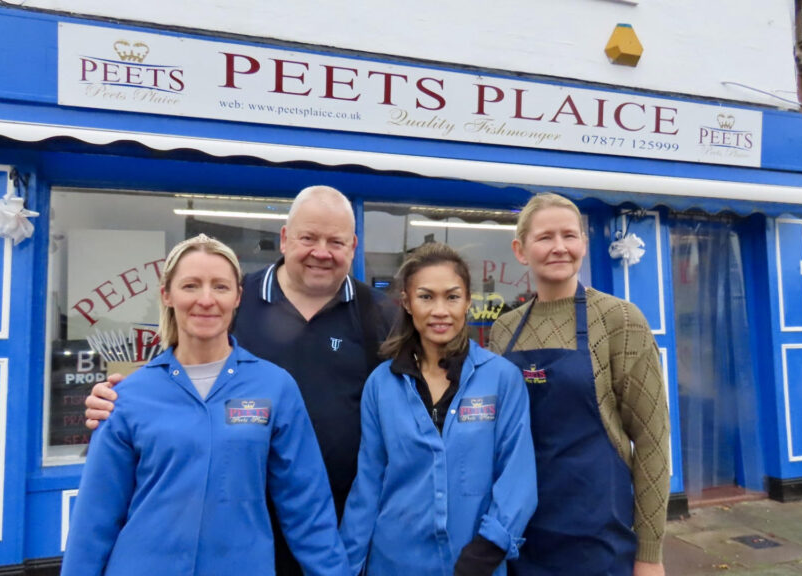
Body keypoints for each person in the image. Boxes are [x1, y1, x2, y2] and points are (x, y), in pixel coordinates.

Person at [84, 185, 395, 575]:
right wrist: (114, 400)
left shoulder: (380, 314)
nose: (321, 251)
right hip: (231, 527)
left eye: (335, 242)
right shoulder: (232, 301)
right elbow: (174, 374)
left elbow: (411, 405)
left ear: (352, 246)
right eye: (309, 238)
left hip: (330, 525)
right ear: (284, 238)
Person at [62, 234, 348, 576]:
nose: (206, 300)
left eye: (221, 287)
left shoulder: (274, 387)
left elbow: (307, 507)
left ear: (238, 296)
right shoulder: (127, 397)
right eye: (191, 286)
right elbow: (95, 517)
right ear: (167, 294)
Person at [486, 193, 670, 576]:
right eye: (545, 237)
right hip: (523, 533)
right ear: (521, 250)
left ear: (584, 245)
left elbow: (653, 441)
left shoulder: (620, 320)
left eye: (569, 236)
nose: (559, 248)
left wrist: (650, 554)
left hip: (600, 535)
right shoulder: (505, 330)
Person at [340, 242, 538, 576]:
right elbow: (369, 482)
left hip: (476, 562)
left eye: (452, 296)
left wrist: (486, 551)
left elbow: (517, 476)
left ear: (468, 302)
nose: (440, 310)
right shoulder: (381, 384)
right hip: (394, 562)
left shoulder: (501, 379)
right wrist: (347, 563)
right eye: (426, 296)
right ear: (406, 303)